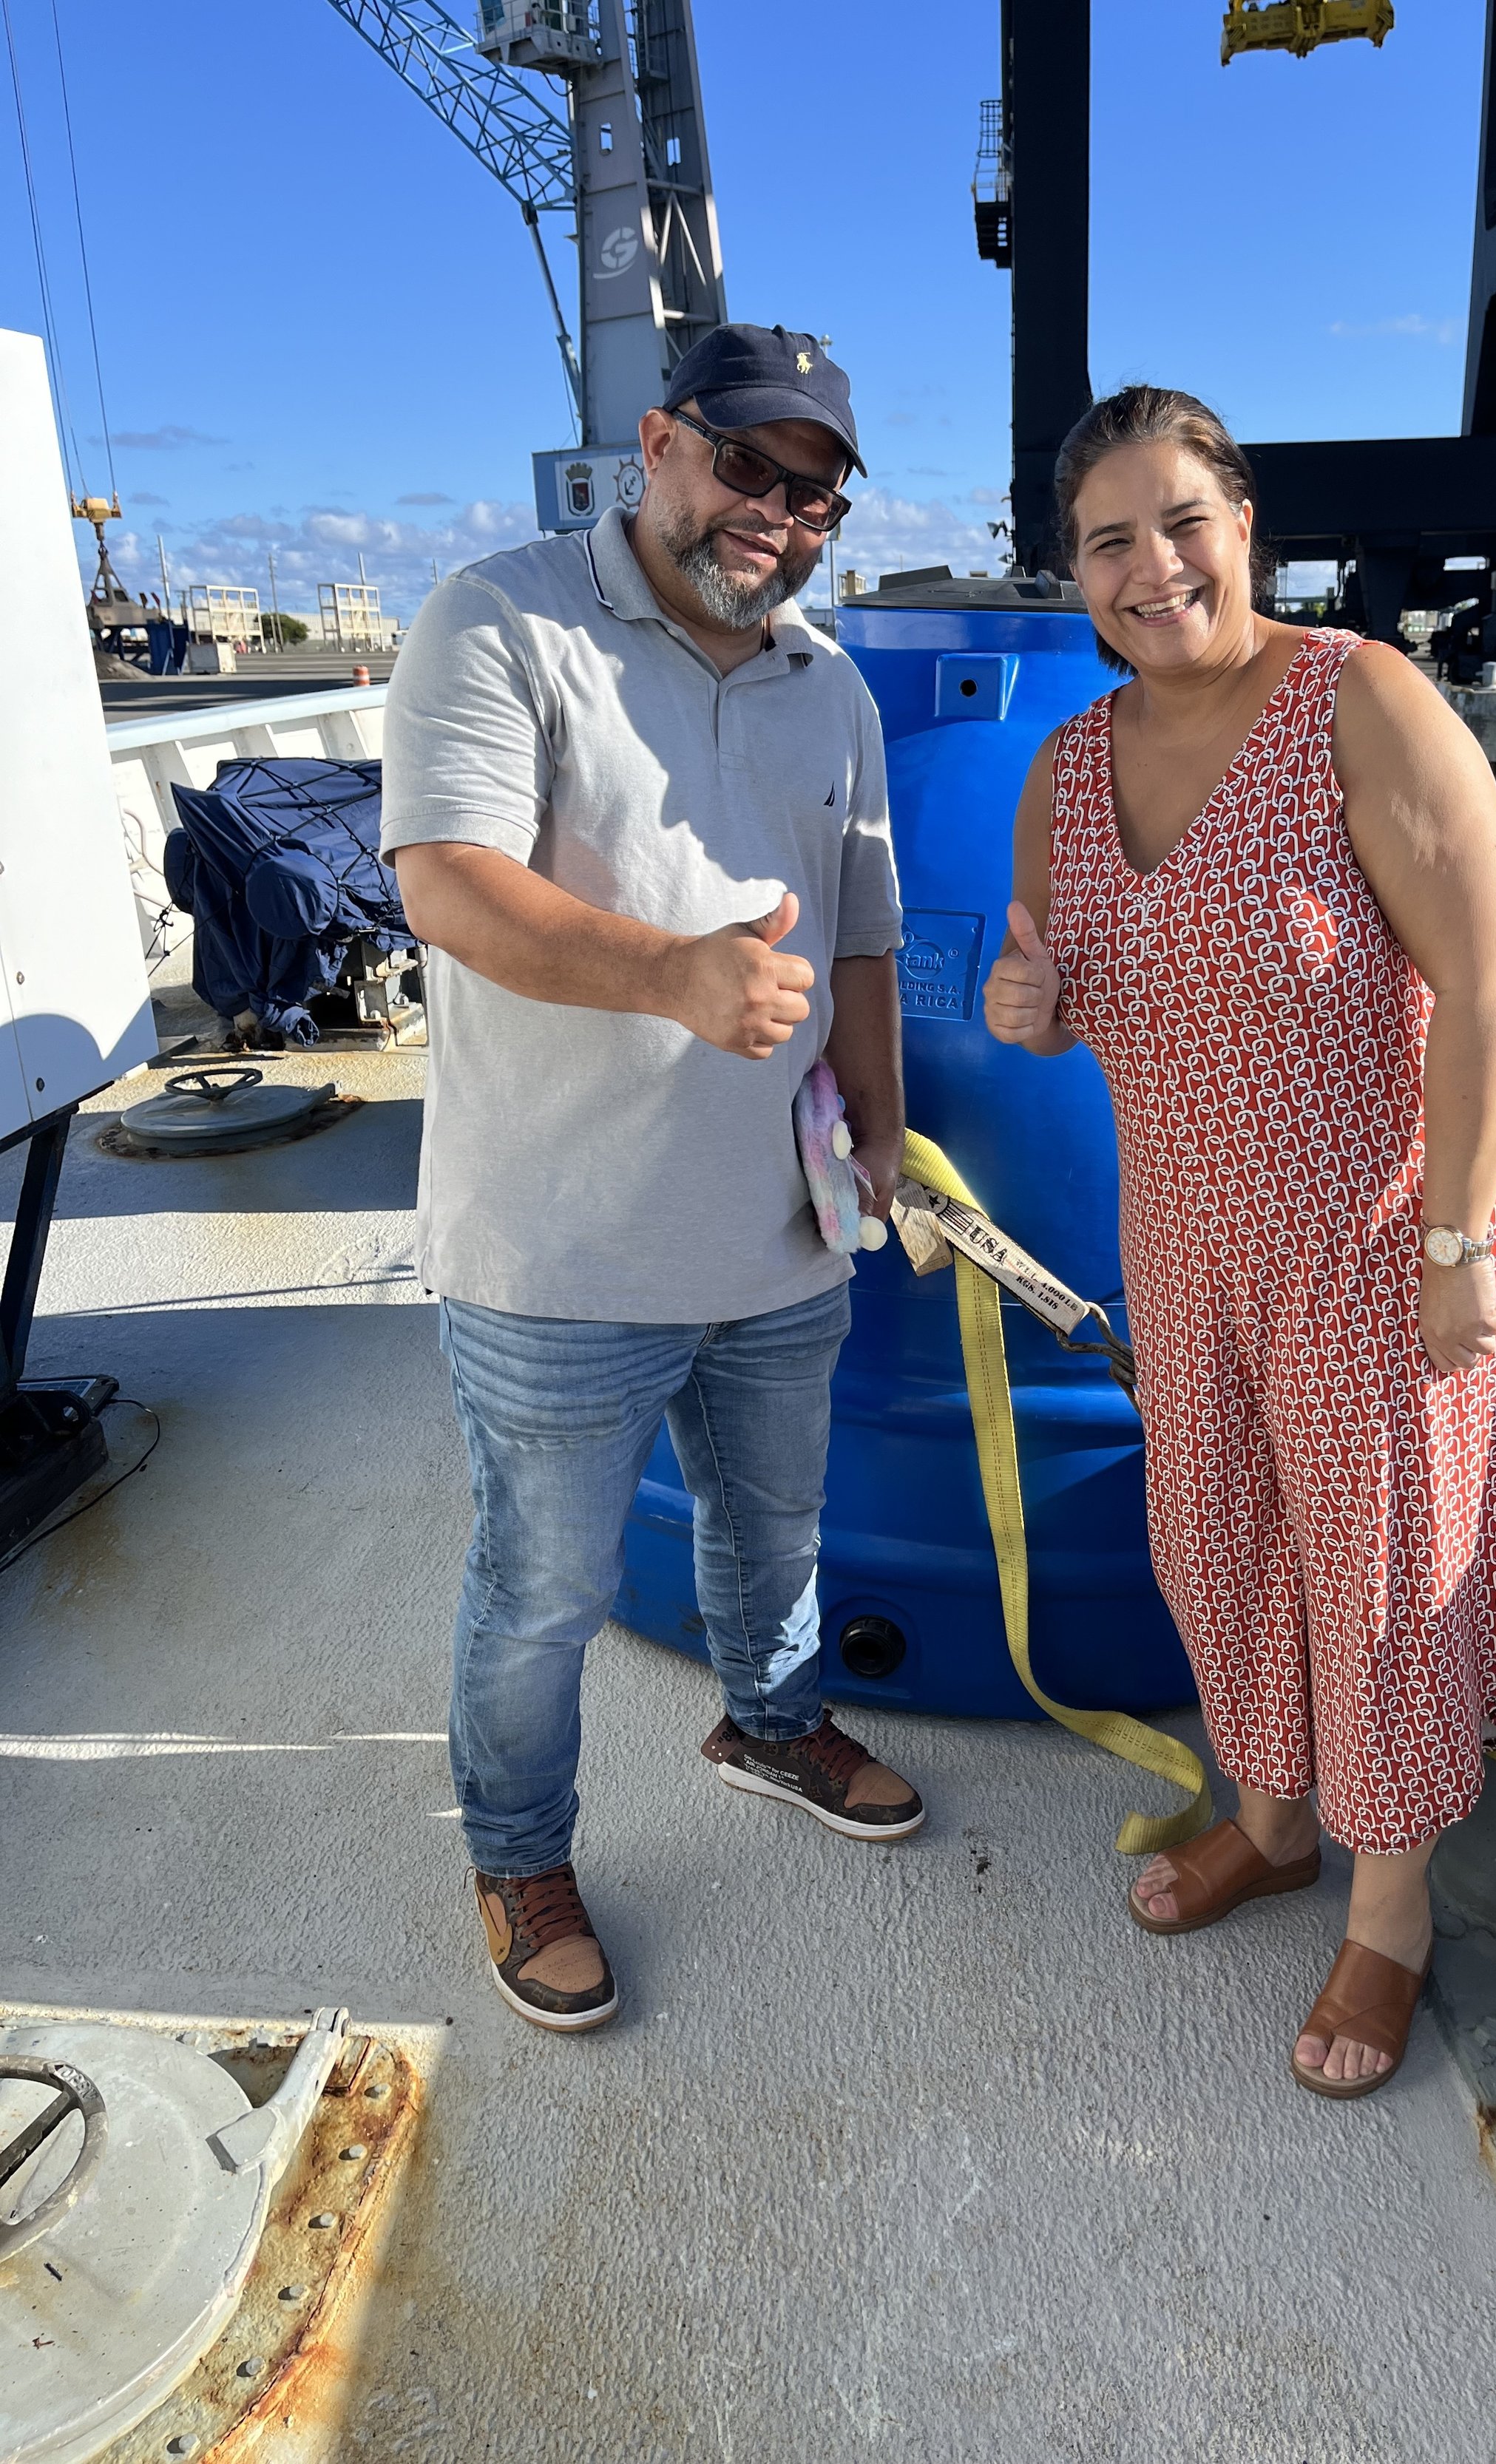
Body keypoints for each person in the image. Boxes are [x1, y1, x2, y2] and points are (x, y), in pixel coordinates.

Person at [983, 384, 1496, 2100]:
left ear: (1242, 529)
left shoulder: (1353, 700)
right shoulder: (1066, 766)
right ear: (1069, 575)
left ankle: (1389, 1916)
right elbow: (1062, 990)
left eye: (1179, 522)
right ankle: (1272, 1820)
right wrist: (1024, 1009)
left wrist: (1454, 1239)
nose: (1149, 567)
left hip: (1379, 1232)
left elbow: (1489, 974)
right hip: (1185, 1237)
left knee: (1373, 1576)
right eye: (1106, 541)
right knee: (1218, 1544)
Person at [382, 324, 924, 2036]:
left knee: (776, 1529)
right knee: (540, 1591)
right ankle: (519, 1854)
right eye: (746, 462)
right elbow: (447, 885)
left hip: (779, 1240)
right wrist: (670, 975)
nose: (774, 508)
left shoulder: (828, 684)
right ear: (657, 443)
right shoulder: (498, 617)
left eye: (813, 485)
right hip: (555, 1255)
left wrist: (885, 1131)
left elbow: (862, 943)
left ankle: (765, 1723)